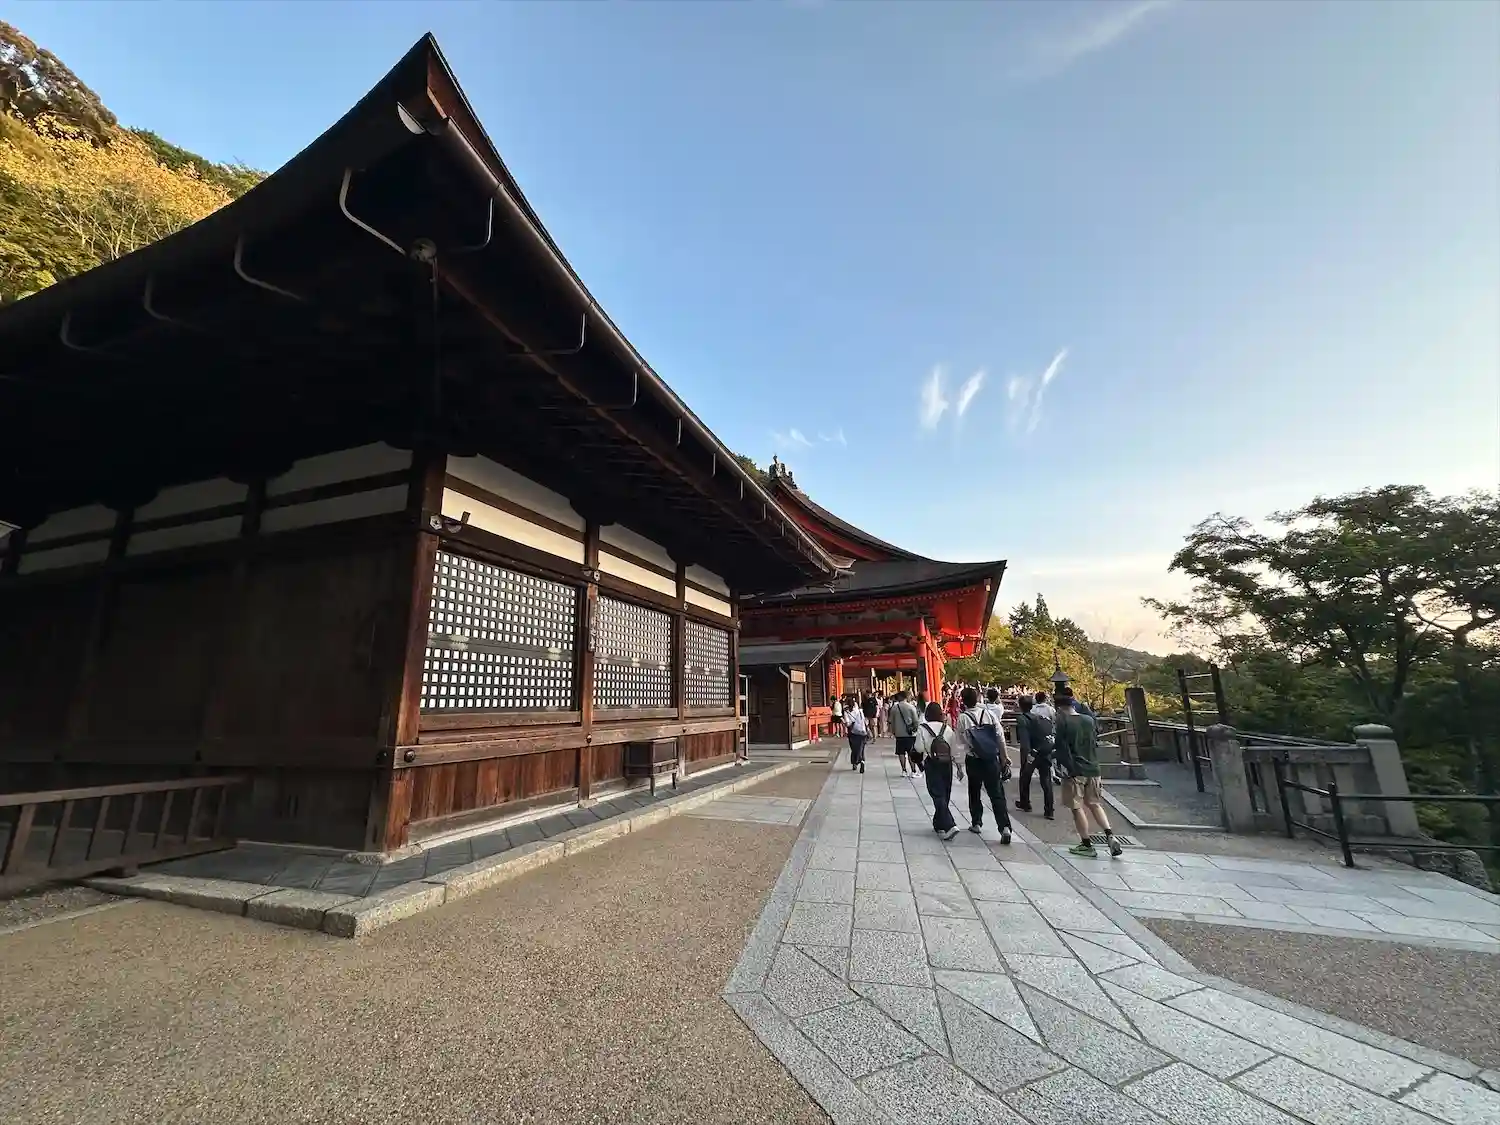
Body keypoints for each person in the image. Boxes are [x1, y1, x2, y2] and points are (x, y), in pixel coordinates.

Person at [1055, 688, 1121, 857]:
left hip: (1075, 770)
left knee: (1076, 807)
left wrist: (1062, 767)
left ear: (1059, 707)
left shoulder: (1063, 722)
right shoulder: (1088, 720)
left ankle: (1086, 844)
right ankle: (1110, 835)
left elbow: (1061, 748)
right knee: (1094, 804)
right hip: (1093, 767)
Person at [957, 687, 1012, 844]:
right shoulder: (989, 714)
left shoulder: (963, 718)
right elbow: (1000, 737)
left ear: (963, 701)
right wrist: (1004, 757)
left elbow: (960, 743)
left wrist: (959, 766)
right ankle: (1004, 827)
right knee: (996, 793)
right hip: (991, 759)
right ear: (978, 699)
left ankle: (976, 822)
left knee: (974, 791)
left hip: (973, 759)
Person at [916, 701, 959, 839]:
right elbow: (954, 750)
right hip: (947, 764)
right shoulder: (947, 729)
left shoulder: (923, 729)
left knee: (937, 793)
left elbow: (918, 748)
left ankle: (949, 825)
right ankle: (939, 823)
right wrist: (959, 767)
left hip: (932, 763)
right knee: (945, 793)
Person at [1013, 695, 1055, 819]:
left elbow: (1024, 741)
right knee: (1046, 781)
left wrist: (1026, 756)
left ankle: (1025, 803)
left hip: (1032, 752)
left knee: (1025, 778)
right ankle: (1049, 810)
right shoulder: (1039, 718)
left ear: (1020, 706)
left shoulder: (1022, 719)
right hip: (1044, 751)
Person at [983, 688, 1013, 780]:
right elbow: (1000, 703)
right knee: (1001, 751)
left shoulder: (983, 708)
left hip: (986, 730)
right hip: (997, 729)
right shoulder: (999, 708)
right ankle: (1003, 770)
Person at [889, 690, 921, 775]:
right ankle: (913, 771)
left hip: (899, 733)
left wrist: (893, 731)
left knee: (901, 752)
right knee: (911, 752)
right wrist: (915, 729)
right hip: (910, 734)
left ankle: (904, 770)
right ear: (906, 697)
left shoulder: (894, 708)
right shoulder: (911, 707)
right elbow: (916, 721)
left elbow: (891, 721)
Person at [845, 699, 869, 773]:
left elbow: (847, 723)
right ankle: (862, 761)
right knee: (861, 748)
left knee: (854, 749)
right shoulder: (859, 711)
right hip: (862, 732)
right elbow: (864, 721)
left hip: (852, 732)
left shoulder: (846, 712)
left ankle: (855, 763)